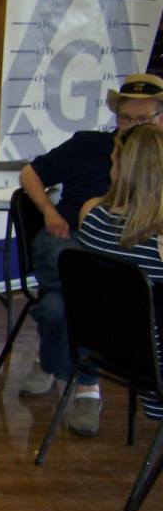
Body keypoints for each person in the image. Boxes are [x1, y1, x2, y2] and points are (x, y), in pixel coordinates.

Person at [18, 73, 163, 437]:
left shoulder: (152, 161)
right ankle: (86, 384)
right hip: (71, 240)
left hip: (117, 258)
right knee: (80, 284)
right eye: (125, 118)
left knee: (59, 307)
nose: (130, 127)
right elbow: (30, 174)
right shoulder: (89, 146)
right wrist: (49, 212)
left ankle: (60, 367)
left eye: (141, 120)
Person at [77, 123, 163, 422]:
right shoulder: (158, 241)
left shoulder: (91, 215)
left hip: (110, 347)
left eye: (114, 160)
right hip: (153, 360)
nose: (110, 165)